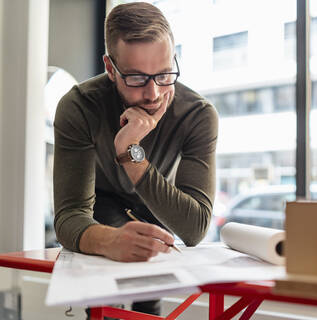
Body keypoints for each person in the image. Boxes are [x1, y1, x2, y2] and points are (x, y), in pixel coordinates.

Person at [53, 2, 218, 316]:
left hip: (158, 203)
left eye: (165, 74)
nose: (154, 94)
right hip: (97, 207)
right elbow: (69, 215)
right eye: (137, 79)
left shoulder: (198, 114)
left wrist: (131, 153)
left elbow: (195, 228)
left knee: (148, 299)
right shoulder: (79, 107)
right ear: (110, 68)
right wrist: (109, 241)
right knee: (103, 299)